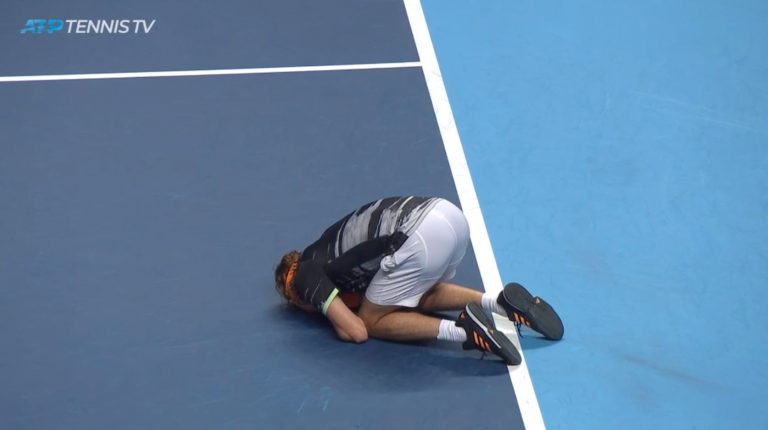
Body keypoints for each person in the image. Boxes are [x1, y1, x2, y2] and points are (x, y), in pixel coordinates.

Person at [274, 196, 563, 365]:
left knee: (372, 320)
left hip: (418, 236)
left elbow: (358, 331)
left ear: (292, 292)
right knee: (411, 292)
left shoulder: (303, 276)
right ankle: (499, 304)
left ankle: (466, 332)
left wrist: (338, 323)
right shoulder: (334, 256)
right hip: (447, 216)